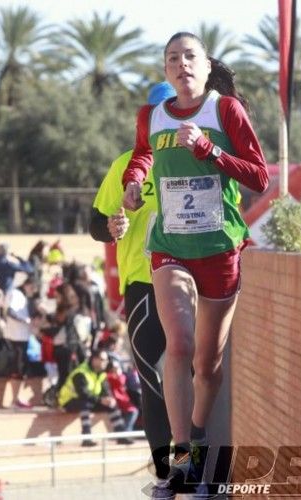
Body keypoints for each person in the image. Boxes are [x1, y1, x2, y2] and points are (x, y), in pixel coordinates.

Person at [122, 32, 269, 496]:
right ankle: (182, 462)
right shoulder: (152, 115)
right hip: (170, 247)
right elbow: (144, 153)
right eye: (172, 58)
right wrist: (134, 179)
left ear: (206, 67)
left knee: (207, 364)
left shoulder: (225, 111)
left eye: (189, 56)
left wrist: (209, 150)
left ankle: (200, 435)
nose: (181, 64)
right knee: (179, 346)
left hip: (220, 248)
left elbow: (260, 177)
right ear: (165, 70)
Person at [89, 82, 176, 493]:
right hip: (143, 286)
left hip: (192, 281)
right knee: (152, 382)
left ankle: (195, 465)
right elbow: (96, 223)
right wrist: (111, 227)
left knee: (196, 376)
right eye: (158, 116)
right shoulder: (125, 164)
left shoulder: (196, 161)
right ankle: (164, 475)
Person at [58, 349, 132, 446]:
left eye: (106, 360)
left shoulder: (101, 373)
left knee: (111, 405)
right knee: (85, 403)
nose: (105, 362)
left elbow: (106, 390)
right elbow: (83, 393)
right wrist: (101, 400)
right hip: (67, 401)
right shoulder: (80, 373)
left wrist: (109, 399)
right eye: (102, 359)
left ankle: (122, 436)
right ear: (94, 359)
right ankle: (86, 437)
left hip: (89, 400)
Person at [4, 276, 38, 381]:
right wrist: (25, 320)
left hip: (22, 334)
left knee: (21, 359)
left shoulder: (23, 296)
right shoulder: (16, 294)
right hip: (16, 334)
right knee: (17, 361)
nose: (32, 291)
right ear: (26, 285)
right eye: (31, 288)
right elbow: (11, 312)